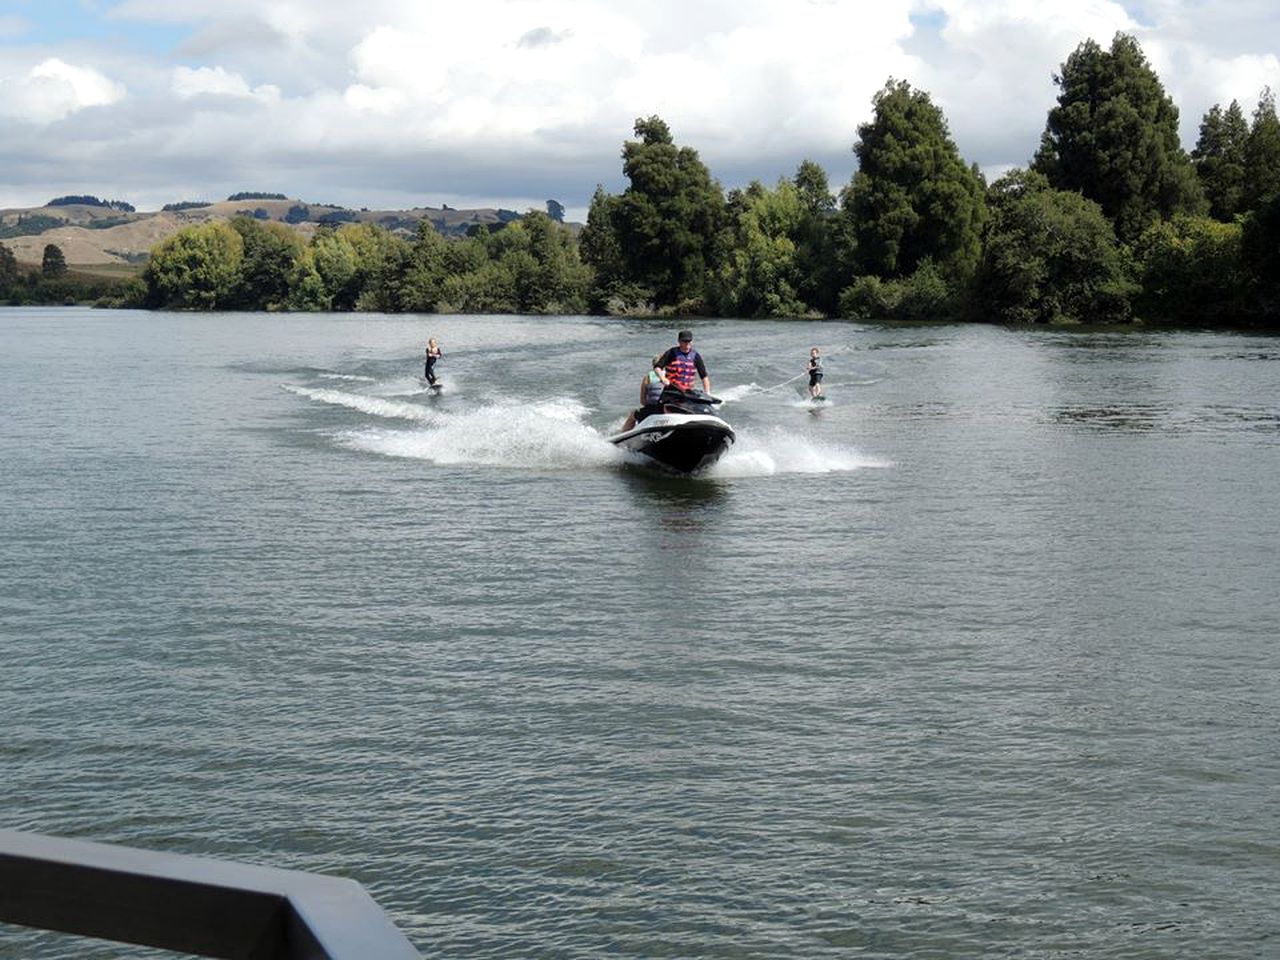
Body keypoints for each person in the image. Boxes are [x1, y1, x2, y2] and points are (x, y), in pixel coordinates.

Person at [654, 329, 711, 394]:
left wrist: (707, 393)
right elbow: (657, 368)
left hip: (688, 392)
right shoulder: (671, 353)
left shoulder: (696, 356)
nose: (687, 343)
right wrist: (663, 378)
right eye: (684, 341)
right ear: (679, 341)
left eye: (689, 341)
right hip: (671, 390)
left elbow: (704, 377)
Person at [621, 358, 669, 432]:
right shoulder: (672, 375)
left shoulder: (648, 378)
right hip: (670, 409)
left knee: (633, 414)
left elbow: (642, 401)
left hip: (653, 410)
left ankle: (622, 436)